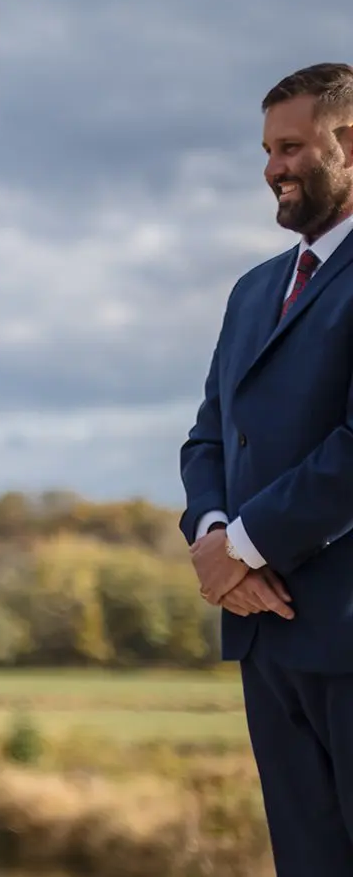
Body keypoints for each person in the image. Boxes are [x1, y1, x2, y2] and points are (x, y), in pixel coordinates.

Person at [180, 62, 353, 876]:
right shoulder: (253, 291)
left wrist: (245, 545)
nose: (273, 168)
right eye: (266, 149)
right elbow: (208, 438)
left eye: (292, 147)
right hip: (265, 639)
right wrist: (214, 537)